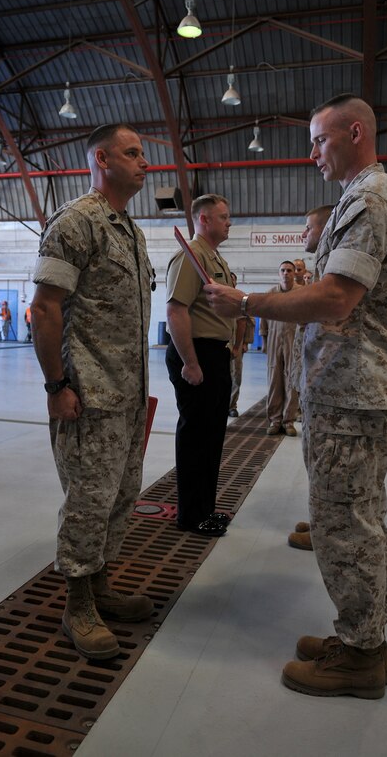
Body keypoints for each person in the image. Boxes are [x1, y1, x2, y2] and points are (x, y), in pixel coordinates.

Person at [204, 93, 387, 699]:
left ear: (355, 132)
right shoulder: (361, 197)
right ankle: (359, 633)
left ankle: (360, 654)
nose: (312, 153)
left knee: (345, 522)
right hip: (348, 388)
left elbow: (334, 298)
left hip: (354, 389)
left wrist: (247, 302)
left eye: (320, 140)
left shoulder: (370, 199)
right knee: (352, 516)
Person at [31, 123, 155, 661]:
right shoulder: (76, 222)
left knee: (121, 498)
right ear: (102, 160)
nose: (144, 162)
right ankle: (77, 603)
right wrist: (57, 385)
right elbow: (46, 307)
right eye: (132, 153)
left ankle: (101, 588)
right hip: (89, 395)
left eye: (144, 154)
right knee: (87, 502)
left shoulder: (129, 228)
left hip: (128, 396)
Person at [165, 194, 235, 537]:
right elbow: (176, 311)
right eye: (223, 217)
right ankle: (191, 515)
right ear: (204, 220)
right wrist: (190, 363)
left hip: (215, 354)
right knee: (196, 438)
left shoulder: (212, 258)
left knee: (212, 437)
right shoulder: (188, 258)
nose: (229, 222)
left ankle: (206, 508)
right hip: (196, 354)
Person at [287, 204, 334, 552]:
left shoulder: (333, 269)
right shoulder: (321, 268)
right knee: (317, 459)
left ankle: (329, 531)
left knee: (330, 463)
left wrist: (247, 303)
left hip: (333, 381)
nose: (304, 234)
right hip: (316, 379)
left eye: (308, 227)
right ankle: (322, 521)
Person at [259, 260, 300, 437]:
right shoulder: (271, 295)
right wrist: (265, 343)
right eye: (283, 270)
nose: (286, 273)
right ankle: (275, 420)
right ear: (278, 273)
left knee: (292, 381)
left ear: (294, 273)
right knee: (274, 380)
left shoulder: (302, 293)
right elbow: (263, 321)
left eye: (289, 270)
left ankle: (288, 420)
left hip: (294, 341)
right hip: (275, 340)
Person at [228, 272, 256, 418]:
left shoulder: (242, 299)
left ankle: (232, 405)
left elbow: (250, 322)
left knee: (236, 375)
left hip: (237, 344)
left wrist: (245, 343)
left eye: (233, 280)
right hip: (222, 342)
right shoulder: (219, 297)